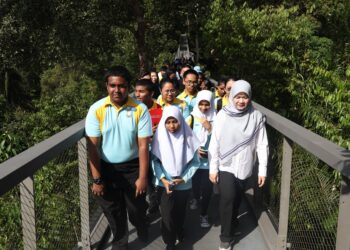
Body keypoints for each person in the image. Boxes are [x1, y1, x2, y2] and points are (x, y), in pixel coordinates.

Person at [85, 66, 152, 250]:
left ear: (127, 86)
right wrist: (97, 179)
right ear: (106, 86)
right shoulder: (96, 109)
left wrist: (143, 177)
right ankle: (121, 244)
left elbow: (143, 145)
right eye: (112, 85)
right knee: (114, 212)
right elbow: (92, 148)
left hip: (133, 167)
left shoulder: (140, 109)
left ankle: (141, 225)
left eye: (121, 86)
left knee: (136, 209)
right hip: (106, 169)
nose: (117, 90)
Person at [208, 80, 269, 250]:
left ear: (250, 98)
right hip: (226, 165)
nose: (241, 101)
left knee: (236, 199)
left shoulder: (256, 117)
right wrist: (213, 168)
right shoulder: (223, 115)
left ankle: (232, 224)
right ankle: (225, 238)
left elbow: (262, 144)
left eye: (245, 97)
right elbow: (215, 143)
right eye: (238, 97)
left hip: (245, 166)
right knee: (227, 198)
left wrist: (262, 170)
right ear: (231, 96)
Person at [151, 106, 200, 250]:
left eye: (175, 121)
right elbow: (154, 161)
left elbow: (195, 162)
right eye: (168, 122)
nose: (172, 126)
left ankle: (179, 230)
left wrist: (184, 179)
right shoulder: (159, 137)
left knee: (179, 212)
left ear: (181, 121)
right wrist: (162, 179)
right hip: (163, 184)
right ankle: (170, 243)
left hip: (183, 184)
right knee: (166, 215)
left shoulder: (189, 136)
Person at [187, 90, 216, 228]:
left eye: (207, 104)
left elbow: (220, 139)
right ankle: (195, 198)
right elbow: (185, 139)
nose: (204, 107)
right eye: (201, 104)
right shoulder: (192, 118)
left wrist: (210, 128)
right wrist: (195, 149)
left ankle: (204, 214)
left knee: (207, 189)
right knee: (196, 186)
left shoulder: (217, 118)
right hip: (195, 160)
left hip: (210, 162)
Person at [134, 78, 163, 214]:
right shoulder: (132, 110)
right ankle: (151, 201)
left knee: (154, 173)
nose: (137, 95)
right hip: (138, 149)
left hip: (156, 149)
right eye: (136, 91)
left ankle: (156, 199)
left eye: (141, 91)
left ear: (151, 94)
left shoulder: (160, 110)